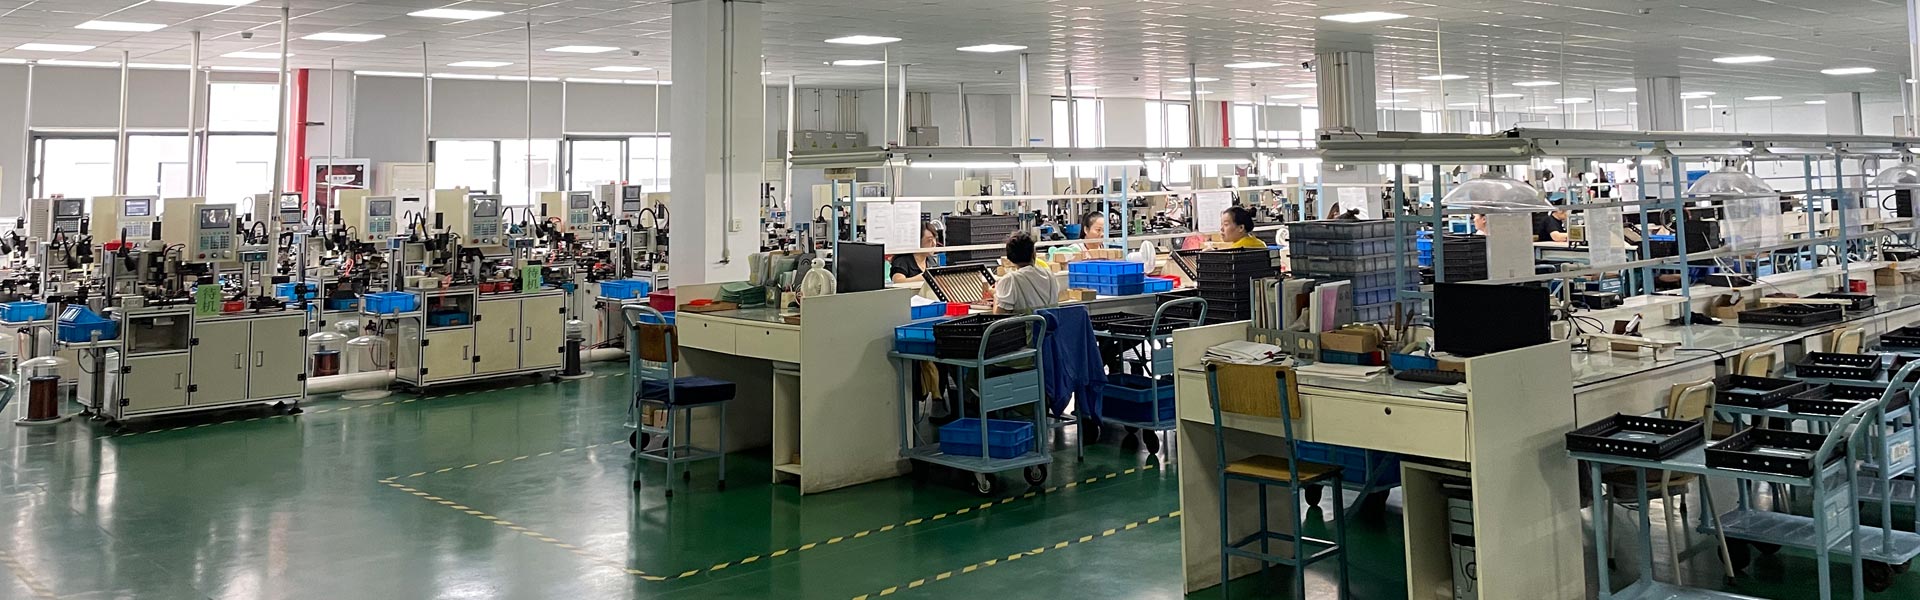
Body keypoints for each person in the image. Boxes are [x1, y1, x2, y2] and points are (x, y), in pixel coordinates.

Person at [992, 231, 1063, 314]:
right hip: (1049, 323)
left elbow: (999, 316)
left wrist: (996, 295)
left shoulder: (1010, 280)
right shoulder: (1050, 275)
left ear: (1010, 258)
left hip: (1026, 323)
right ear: (1034, 254)